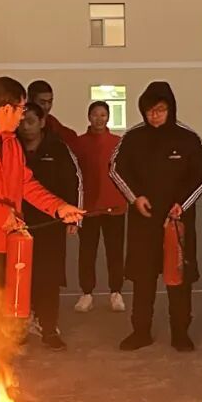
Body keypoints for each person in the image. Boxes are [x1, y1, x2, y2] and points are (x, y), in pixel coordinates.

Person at [0, 77, 84, 298]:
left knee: (10, 309)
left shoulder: (11, 143)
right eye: (21, 109)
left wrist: (58, 207)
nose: (22, 116)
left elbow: (25, 183)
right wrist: (1, 215)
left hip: (10, 242)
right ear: (6, 108)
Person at [110, 81, 202, 352]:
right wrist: (135, 198)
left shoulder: (187, 139)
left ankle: (180, 332)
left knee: (179, 278)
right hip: (143, 221)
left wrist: (182, 206)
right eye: (150, 111)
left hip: (177, 223)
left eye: (161, 110)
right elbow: (116, 170)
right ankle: (140, 331)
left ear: (171, 109)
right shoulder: (133, 138)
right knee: (143, 278)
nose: (154, 116)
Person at [16, 104, 82, 350]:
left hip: (51, 224)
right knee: (19, 277)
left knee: (49, 277)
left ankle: (49, 327)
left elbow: (74, 182)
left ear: (42, 122)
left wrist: (73, 216)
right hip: (17, 225)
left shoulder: (58, 149)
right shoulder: (11, 147)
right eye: (21, 121)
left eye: (31, 121)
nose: (25, 126)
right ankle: (19, 326)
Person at [74, 100, 127, 313]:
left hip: (115, 207)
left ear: (108, 117)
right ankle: (87, 293)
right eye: (95, 115)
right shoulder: (79, 143)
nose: (99, 119)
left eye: (103, 115)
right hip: (88, 208)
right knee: (87, 252)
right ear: (89, 117)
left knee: (115, 252)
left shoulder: (118, 143)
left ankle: (116, 292)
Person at [28, 80, 78, 146]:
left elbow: (70, 137)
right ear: (30, 101)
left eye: (50, 102)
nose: (47, 107)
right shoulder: (20, 123)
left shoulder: (52, 123)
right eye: (42, 103)